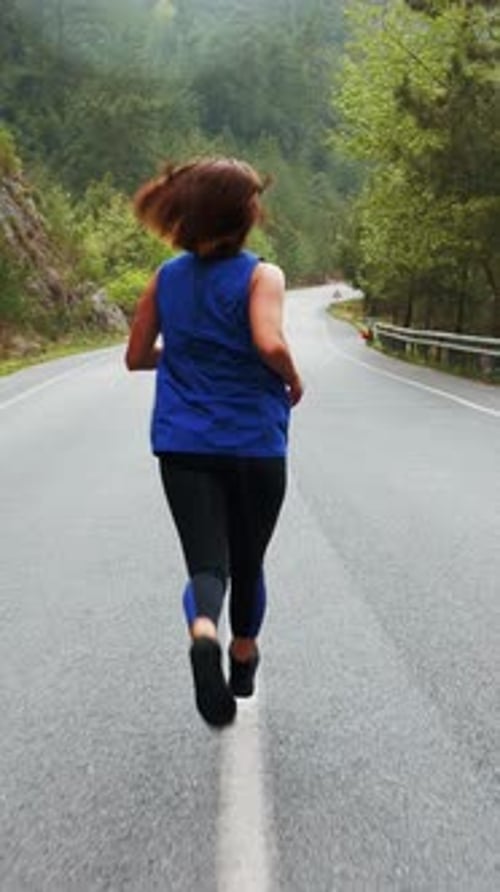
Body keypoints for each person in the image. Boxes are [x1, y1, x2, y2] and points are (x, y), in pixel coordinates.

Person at [125, 158, 303, 728]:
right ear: (244, 216)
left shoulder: (166, 278)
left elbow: (135, 357)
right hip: (253, 442)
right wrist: (293, 379)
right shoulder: (261, 276)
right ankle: (242, 654)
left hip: (182, 445)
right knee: (249, 562)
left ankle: (203, 629)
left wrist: (184, 357)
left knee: (207, 564)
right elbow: (268, 342)